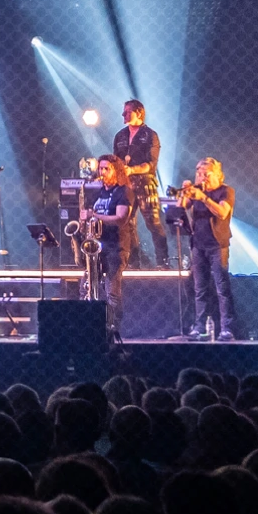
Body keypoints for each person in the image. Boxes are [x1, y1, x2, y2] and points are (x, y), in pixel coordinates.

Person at [177, 157, 236, 341]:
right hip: (198, 244)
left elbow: (223, 212)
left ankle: (226, 328)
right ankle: (200, 327)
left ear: (217, 175)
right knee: (199, 289)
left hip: (217, 245)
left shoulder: (225, 191)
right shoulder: (197, 191)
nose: (202, 177)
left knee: (221, 288)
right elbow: (180, 207)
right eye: (199, 174)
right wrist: (184, 192)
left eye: (206, 174)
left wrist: (204, 198)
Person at [111, 100, 166, 267]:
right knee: (127, 223)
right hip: (126, 185)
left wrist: (132, 170)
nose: (124, 114)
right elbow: (116, 160)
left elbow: (151, 164)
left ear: (139, 112)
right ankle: (134, 263)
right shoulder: (120, 136)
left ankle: (162, 262)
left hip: (145, 183)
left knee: (153, 223)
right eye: (124, 111)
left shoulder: (150, 135)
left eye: (128, 111)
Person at [85, 156, 134, 337]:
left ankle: (113, 329)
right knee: (87, 287)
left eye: (107, 169)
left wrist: (95, 216)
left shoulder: (124, 191)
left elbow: (121, 218)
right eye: (101, 168)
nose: (102, 172)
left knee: (112, 290)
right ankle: (90, 326)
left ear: (117, 171)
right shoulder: (99, 192)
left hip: (116, 246)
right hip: (97, 248)